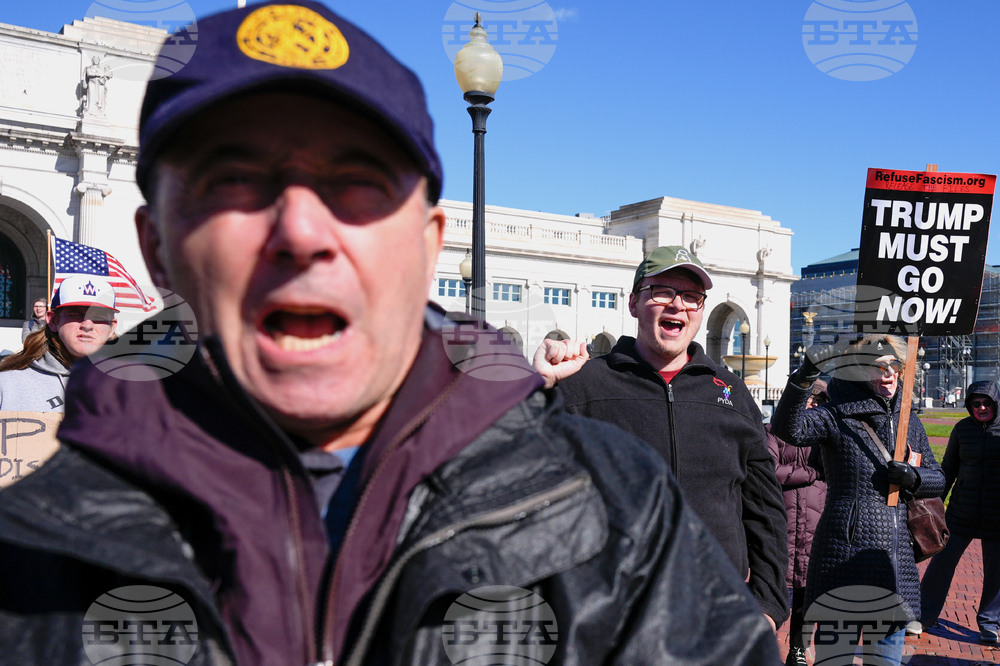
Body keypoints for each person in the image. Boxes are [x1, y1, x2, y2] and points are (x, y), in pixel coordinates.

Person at [0, 3, 779, 665]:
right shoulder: (32, 557)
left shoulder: (616, 511)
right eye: (233, 179)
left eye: (358, 183)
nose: (301, 231)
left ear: (428, 242)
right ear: (158, 244)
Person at [533, 245, 789, 631]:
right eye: (662, 292)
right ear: (635, 303)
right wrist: (538, 389)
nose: (677, 305)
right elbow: (514, 476)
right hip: (609, 618)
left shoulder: (732, 395)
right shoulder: (582, 387)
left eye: (691, 297)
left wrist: (768, 605)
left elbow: (765, 510)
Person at [770, 334, 946, 666]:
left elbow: (938, 478)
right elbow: (787, 429)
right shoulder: (837, 415)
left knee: (886, 661)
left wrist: (915, 478)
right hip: (843, 557)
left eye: (895, 364)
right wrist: (805, 376)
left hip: (893, 565)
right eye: (878, 366)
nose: (889, 372)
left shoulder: (909, 422)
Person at [916, 380, 1000, 643]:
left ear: (996, 403)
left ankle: (990, 623)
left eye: (987, 403)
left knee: (996, 572)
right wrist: (936, 503)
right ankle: (924, 615)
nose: (982, 407)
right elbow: (949, 468)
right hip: (961, 512)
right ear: (969, 406)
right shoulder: (962, 430)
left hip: (997, 516)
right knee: (941, 564)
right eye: (976, 404)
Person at [766, 380, 828, 666]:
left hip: (817, 522)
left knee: (807, 592)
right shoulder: (774, 431)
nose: (813, 406)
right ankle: (764, 643)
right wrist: (812, 473)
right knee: (772, 586)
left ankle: (799, 649)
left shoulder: (826, 435)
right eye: (810, 400)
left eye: (818, 402)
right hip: (783, 522)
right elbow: (770, 470)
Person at [0, 275, 118, 411]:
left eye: (98, 317)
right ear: (53, 321)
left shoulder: (133, 388)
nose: (87, 325)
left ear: (112, 327)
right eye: (75, 315)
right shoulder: (6, 385)